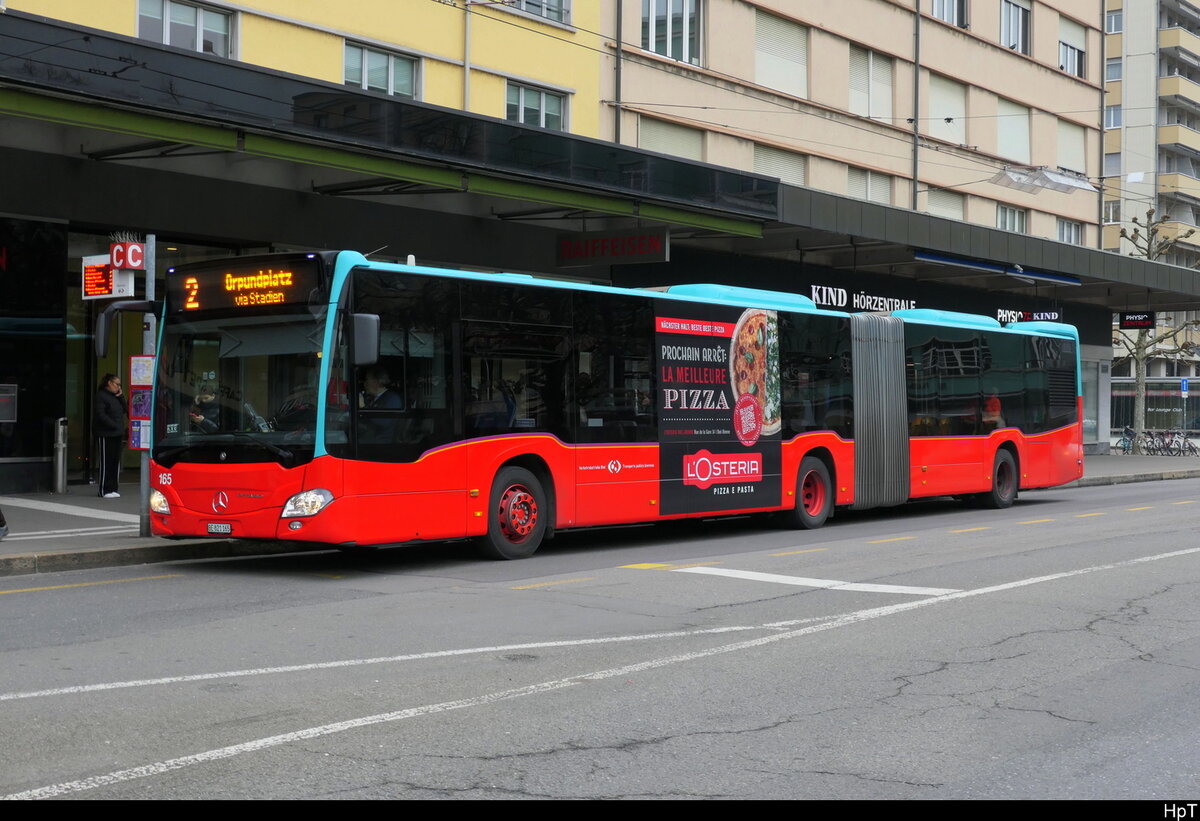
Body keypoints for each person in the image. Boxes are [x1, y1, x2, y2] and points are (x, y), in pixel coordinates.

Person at [94, 372, 126, 499]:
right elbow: (100, 415)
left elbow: (125, 410)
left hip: (117, 433)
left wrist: (121, 396)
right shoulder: (101, 396)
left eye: (120, 385)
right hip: (105, 433)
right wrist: (113, 425)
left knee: (115, 461)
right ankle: (104, 489)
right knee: (106, 461)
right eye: (117, 384)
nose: (118, 387)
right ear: (109, 383)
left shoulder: (116, 397)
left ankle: (113, 488)